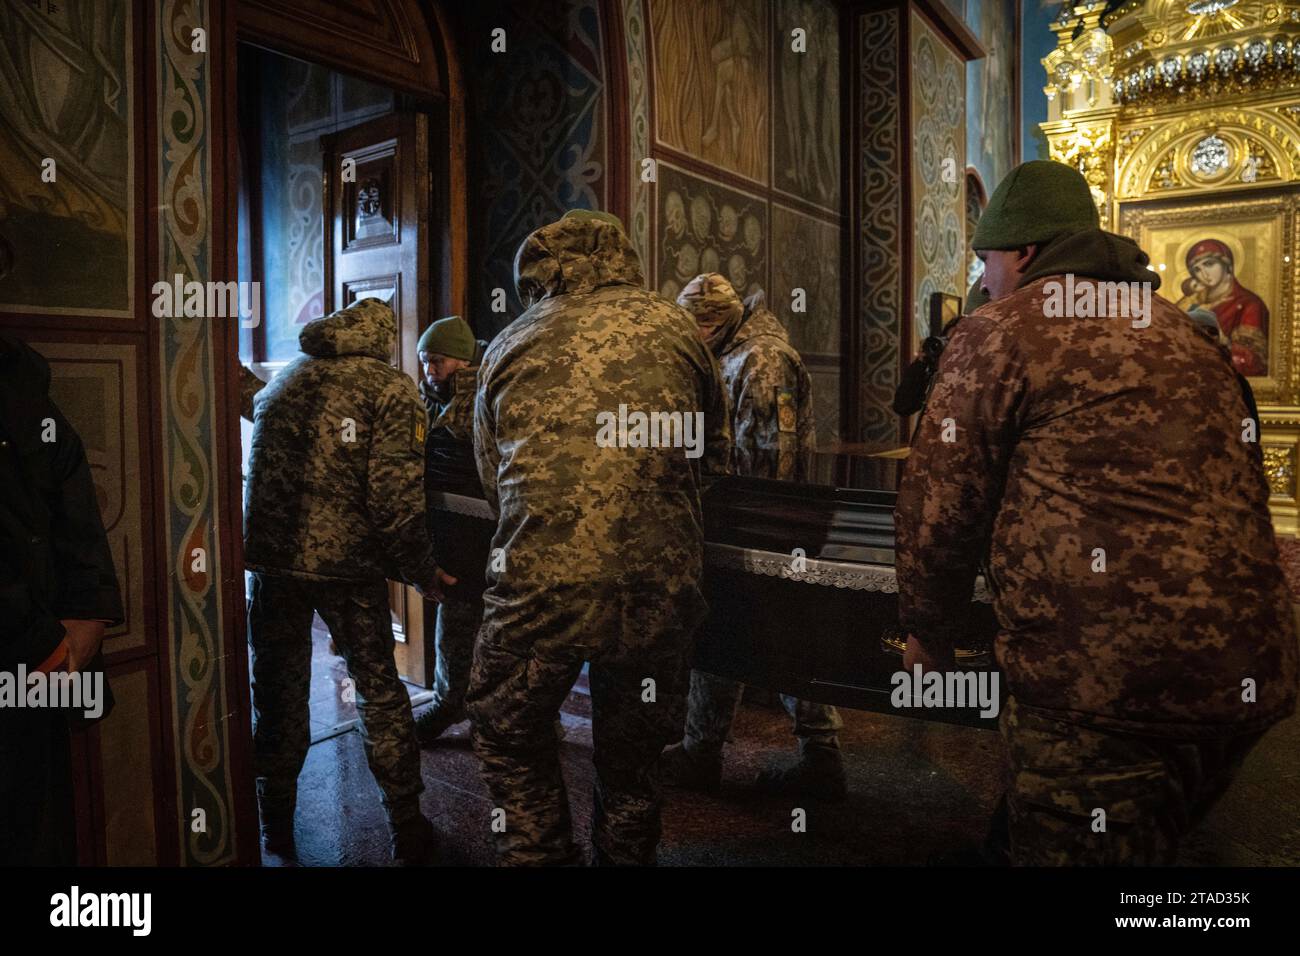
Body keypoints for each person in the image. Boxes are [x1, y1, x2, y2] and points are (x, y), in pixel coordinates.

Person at [896, 160, 1297, 865]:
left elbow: (942, 506)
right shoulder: (1188, 333)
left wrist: (930, 634)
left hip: (1100, 683)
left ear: (1021, 253)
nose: (985, 279)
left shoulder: (998, 332)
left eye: (986, 260)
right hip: (1246, 675)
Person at [468, 209, 730, 865]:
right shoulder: (677, 328)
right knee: (634, 757)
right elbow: (716, 460)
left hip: (538, 586)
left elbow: (491, 479)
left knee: (509, 731)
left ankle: (539, 853)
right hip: (657, 586)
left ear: (541, 273)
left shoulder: (507, 343)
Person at [243, 297, 455, 865]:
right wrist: (422, 573)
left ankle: (275, 830)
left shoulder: (287, 377)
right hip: (347, 569)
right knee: (381, 696)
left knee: (276, 697)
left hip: (271, 564)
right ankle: (407, 827)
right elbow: (394, 501)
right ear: (383, 338)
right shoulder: (389, 387)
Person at [659, 273, 846, 801]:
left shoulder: (762, 359)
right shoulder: (731, 352)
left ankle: (821, 756)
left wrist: (757, 530)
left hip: (764, 526)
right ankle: (703, 750)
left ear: (710, 324)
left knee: (781, 639)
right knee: (729, 635)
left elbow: (771, 460)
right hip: (740, 521)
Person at [0, 333, 122, 865]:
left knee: (35, 828)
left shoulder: (23, 387)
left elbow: (76, 523)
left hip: (39, 664)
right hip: (35, 649)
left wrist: (81, 624)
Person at [413, 315, 490, 745]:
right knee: (455, 627)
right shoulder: (426, 404)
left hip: (489, 538)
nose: (429, 371)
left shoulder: (487, 397)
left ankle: (515, 719)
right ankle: (449, 701)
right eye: (425, 362)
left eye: (437, 362)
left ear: (462, 361)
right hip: (451, 538)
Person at [1183, 239, 1268, 376]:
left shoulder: (1249, 304)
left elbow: (1253, 362)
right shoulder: (1193, 303)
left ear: (1226, 263)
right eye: (1197, 270)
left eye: (1209, 264)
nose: (1204, 274)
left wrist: (1222, 341)